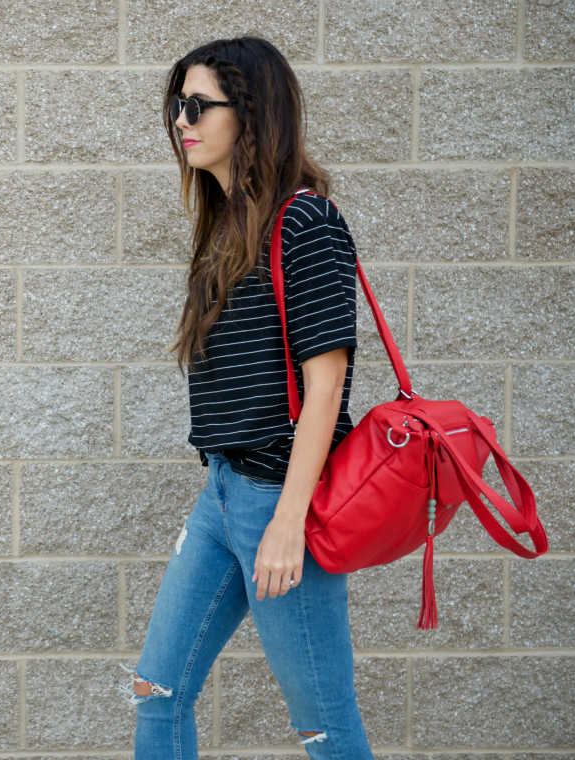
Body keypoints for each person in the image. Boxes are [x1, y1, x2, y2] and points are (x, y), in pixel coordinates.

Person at [122, 37, 374, 759]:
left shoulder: (305, 221)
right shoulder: (228, 226)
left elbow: (326, 384)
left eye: (198, 105)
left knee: (324, 724)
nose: (181, 120)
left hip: (280, 500)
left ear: (252, 113)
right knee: (157, 690)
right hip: (224, 494)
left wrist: (289, 522)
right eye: (178, 105)